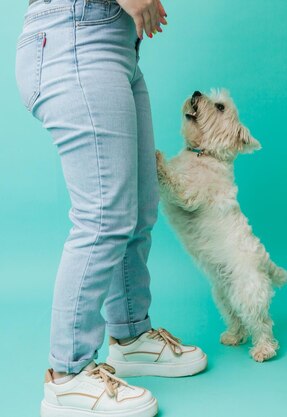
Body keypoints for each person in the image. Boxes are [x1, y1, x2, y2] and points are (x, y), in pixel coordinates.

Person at [15, 0, 207, 416]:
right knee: (102, 217)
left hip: (115, 43)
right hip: (75, 37)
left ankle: (131, 335)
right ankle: (68, 375)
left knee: (138, 209)